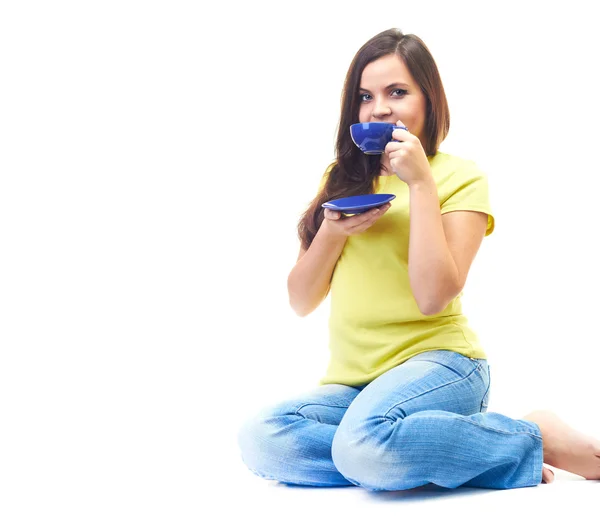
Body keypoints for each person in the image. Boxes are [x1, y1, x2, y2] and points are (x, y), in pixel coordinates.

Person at [237, 28, 600, 490]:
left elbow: (433, 297)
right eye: (365, 96)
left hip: (442, 366)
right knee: (264, 439)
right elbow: (301, 300)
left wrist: (421, 184)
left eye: (397, 92)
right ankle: (435, 452)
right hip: (357, 385)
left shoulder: (459, 177)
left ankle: (527, 439)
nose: (379, 108)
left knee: (362, 445)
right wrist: (330, 231)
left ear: (429, 99)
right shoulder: (342, 179)